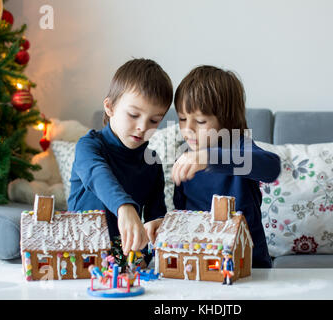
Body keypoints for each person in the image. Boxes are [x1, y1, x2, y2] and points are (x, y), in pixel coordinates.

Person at [172, 65, 281, 268]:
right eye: (182, 119)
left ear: (226, 120)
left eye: (201, 121)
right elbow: (181, 213)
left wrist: (210, 158)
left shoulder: (239, 145)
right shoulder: (186, 157)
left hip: (249, 265)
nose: (188, 129)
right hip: (200, 263)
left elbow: (272, 167)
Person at [68, 58, 173, 259]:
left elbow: (156, 217)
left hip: (127, 262)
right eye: (134, 115)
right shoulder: (89, 146)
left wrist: (153, 236)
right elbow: (97, 175)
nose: (143, 127)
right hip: (80, 257)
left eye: (154, 120)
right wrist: (124, 207)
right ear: (110, 107)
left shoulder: (152, 162)